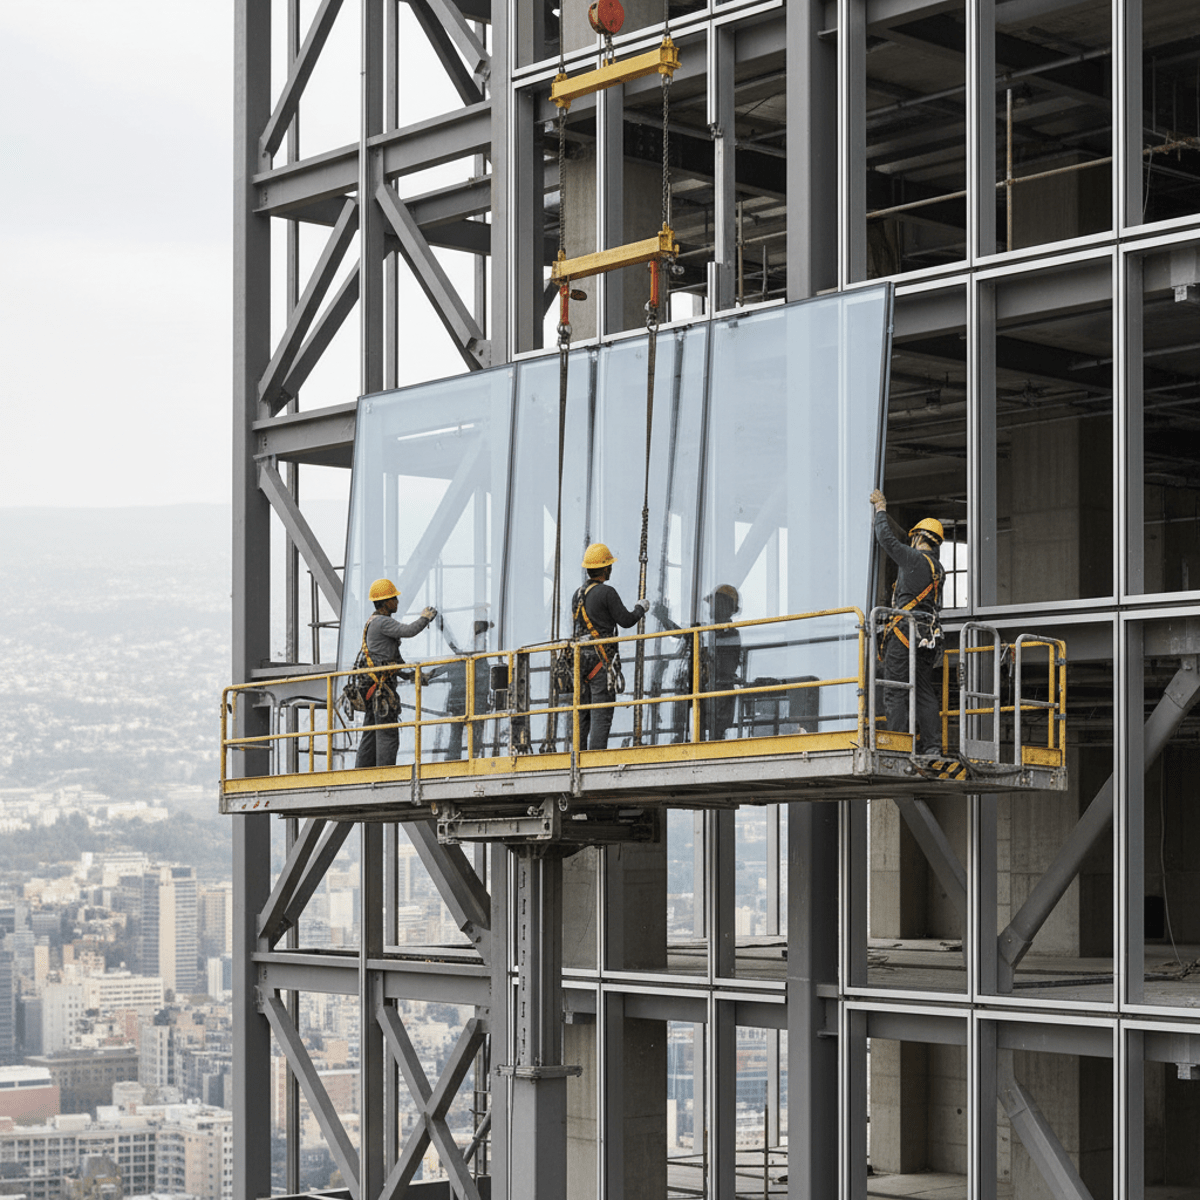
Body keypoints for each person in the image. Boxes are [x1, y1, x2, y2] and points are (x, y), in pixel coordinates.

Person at [869, 489, 945, 756]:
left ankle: (898, 747)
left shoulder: (914, 560)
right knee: (924, 692)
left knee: (895, 691)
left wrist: (880, 508)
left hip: (905, 634)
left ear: (920, 537)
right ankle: (933, 746)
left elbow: (886, 540)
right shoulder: (937, 569)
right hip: (928, 636)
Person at [571, 543, 648, 750]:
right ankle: (596, 762)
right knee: (601, 714)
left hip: (580, 661)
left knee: (582, 712)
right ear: (605, 568)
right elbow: (626, 620)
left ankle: (577, 757)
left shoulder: (577, 595)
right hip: (600, 661)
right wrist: (641, 608)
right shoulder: (606, 592)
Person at [354, 578, 437, 768]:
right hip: (381, 689)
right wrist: (425, 617)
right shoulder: (382, 622)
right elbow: (409, 630)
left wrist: (413, 675)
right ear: (385, 603)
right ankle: (385, 776)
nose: (397, 602)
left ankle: (361, 773)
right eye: (394, 599)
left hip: (374, 688)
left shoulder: (377, 624)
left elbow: (395, 662)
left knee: (372, 732)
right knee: (388, 734)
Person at [652, 584, 743, 741]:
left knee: (716, 735)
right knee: (697, 727)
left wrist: (697, 637)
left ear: (725, 606)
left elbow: (719, 656)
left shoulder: (731, 632)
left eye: (714, 604)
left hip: (719, 691)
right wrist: (665, 620)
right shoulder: (711, 631)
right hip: (707, 690)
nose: (710, 609)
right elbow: (682, 635)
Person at [441, 615, 493, 760]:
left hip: (464, 700)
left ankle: (456, 758)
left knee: (458, 733)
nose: (485, 641)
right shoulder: (477, 658)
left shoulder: (462, 657)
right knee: (471, 732)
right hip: (472, 701)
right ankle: (471, 757)